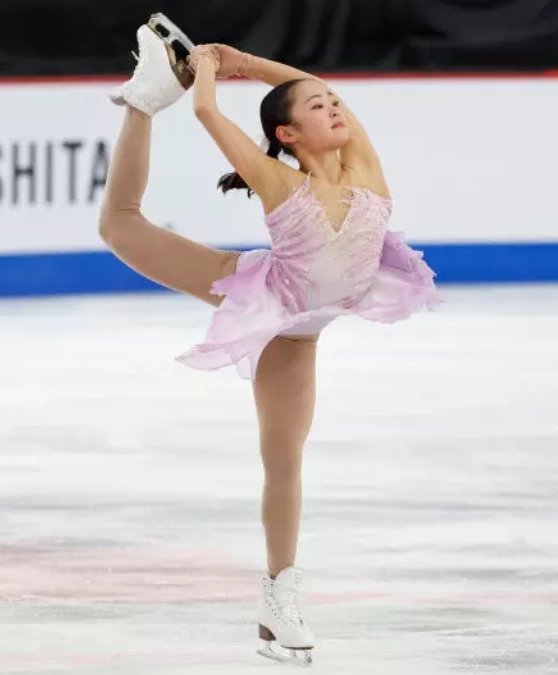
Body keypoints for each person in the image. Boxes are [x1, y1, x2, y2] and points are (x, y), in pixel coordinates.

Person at [97, 13, 442, 665]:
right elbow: (206, 114)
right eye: (320, 105)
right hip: (263, 296)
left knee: (285, 463)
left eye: (335, 100)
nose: (335, 105)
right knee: (119, 225)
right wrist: (200, 77)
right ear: (287, 133)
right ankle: (142, 101)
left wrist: (245, 60)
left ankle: (277, 601)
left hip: (305, 329)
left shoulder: (364, 166)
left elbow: (307, 82)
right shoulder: (280, 182)